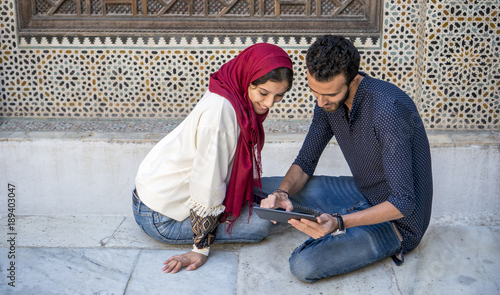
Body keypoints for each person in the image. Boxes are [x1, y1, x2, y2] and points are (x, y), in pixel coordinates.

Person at [260, 35, 433, 282]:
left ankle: (341, 225)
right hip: (360, 191)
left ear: (353, 80)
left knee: (304, 264)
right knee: (264, 190)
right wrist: (283, 193)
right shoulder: (327, 102)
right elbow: (306, 161)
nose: (320, 102)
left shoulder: (387, 110)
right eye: (314, 92)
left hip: (398, 223)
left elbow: (403, 202)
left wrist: (339, 222)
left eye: (329, 94)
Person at [133, 43, 293, 274]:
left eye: (278, 96)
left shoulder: (229, 87)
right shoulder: (221, 114)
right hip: (161, 216)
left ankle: (323, 213)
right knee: (261, 225)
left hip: (153, 197)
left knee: (274, 195)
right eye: (263, 93)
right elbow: (206, 182)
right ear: (248, 79)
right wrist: (200, 248)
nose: (269, 104)